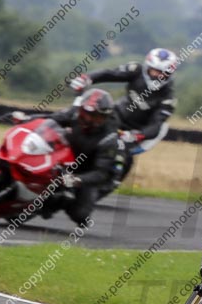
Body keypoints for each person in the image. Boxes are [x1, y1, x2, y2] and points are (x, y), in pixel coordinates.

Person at [15, 89, 120, 224]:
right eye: (86, 114)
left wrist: (76, 180)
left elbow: (101, 173)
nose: (89, 119)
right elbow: (50, 119)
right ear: (81, 110)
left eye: (96, 117)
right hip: (61, 157)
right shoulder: (74, 113)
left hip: (85, 171)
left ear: (105, 117)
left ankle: (54, 204)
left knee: (80, 215)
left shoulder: (109, 138)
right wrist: (26, 119)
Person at [70, 48, 178, 179]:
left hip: (135, 131)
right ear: (147, 67)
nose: (156, 75)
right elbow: (110, 73)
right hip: (117, 115)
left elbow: (156, 126)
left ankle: (107, 179)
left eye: (162, 73)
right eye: (154, 70)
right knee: (82, 125)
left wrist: (137, 135)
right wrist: (87, 78)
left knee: (119, 150)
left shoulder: (168, 98)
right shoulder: (136, 70)